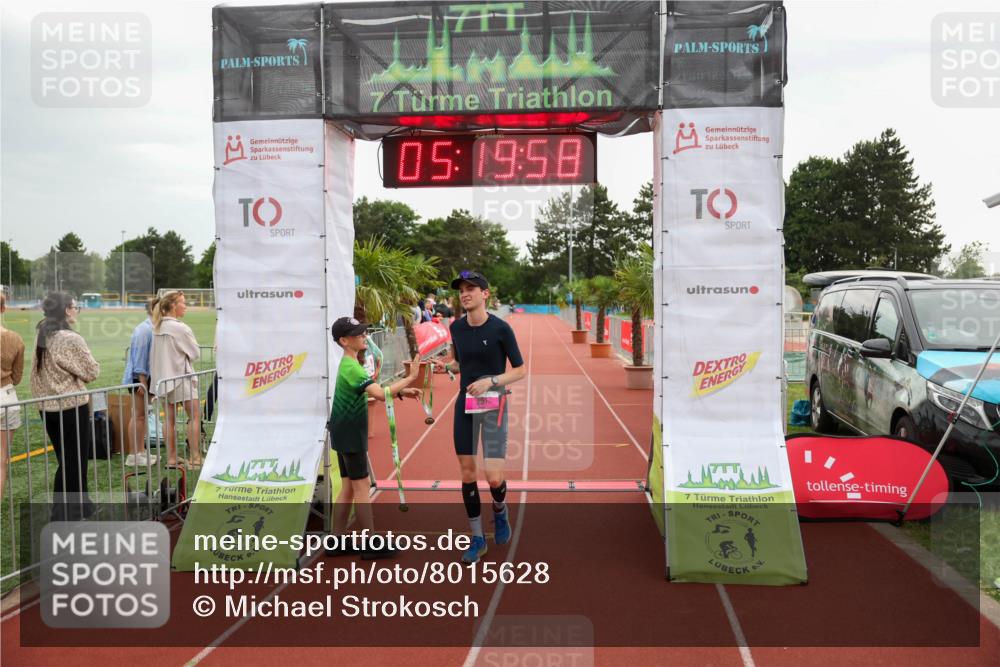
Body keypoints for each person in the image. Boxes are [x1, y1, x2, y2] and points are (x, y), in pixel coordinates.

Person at [432, 271, 526, 564]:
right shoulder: (456, 328)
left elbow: (520, 370)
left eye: (471, 288)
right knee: (468, 473)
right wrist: (447, 367)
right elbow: (461, 363)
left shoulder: (501, 329)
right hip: (465, 405)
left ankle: (499, 511)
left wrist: (492, 381)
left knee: (493, 475)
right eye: (461, 289)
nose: (465, 293)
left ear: (485, 294)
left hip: (494, 403)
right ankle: (476, 538)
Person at [326, 317, 423, 560]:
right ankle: (369, 541)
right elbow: (379, 394)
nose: (364, 336)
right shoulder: (352, 367)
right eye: (358, 333)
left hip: (343, 430)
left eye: (363, 331)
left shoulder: (350, 365)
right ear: (344, 341)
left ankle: (336, 540)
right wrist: (410, 378)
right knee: (361, 486)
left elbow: (372, 391)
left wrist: (402, 391)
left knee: (348, 486)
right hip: (349, 433)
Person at [29, 292, 100, 519]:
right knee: (73, 461)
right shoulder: (70, 338)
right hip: (70, 406)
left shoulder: (43, 332)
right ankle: (61, 513)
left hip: (47, 407)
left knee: (68, 459)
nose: (76, 311)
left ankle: (83, 505)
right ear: (67, 310)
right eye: (75, 307)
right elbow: (92, 372)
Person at [150, 290, 202, 467]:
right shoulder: (180, 328)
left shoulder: (157, 326)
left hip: (163, 380)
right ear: (173, 305)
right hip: (181, 377)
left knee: (168, 420)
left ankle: (172, 459)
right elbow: (195, 353)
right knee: (194, 416)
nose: (185, 306)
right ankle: (195, 458)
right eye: (183, 302)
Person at [121, 297, 159, 467]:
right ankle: (133, 454)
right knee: (138, 415)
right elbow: (139, 359)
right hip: (139, 379)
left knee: (143, 416)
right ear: (152, 309)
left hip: (145, 379)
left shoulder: (151, 327)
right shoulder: (143, 330)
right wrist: (142, 381)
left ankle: (141, 451)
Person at [0, 291, 25, 499]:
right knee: (1, 461)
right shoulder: (15, 339)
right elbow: (16, 378)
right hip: (6, 397)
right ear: (3, 309)